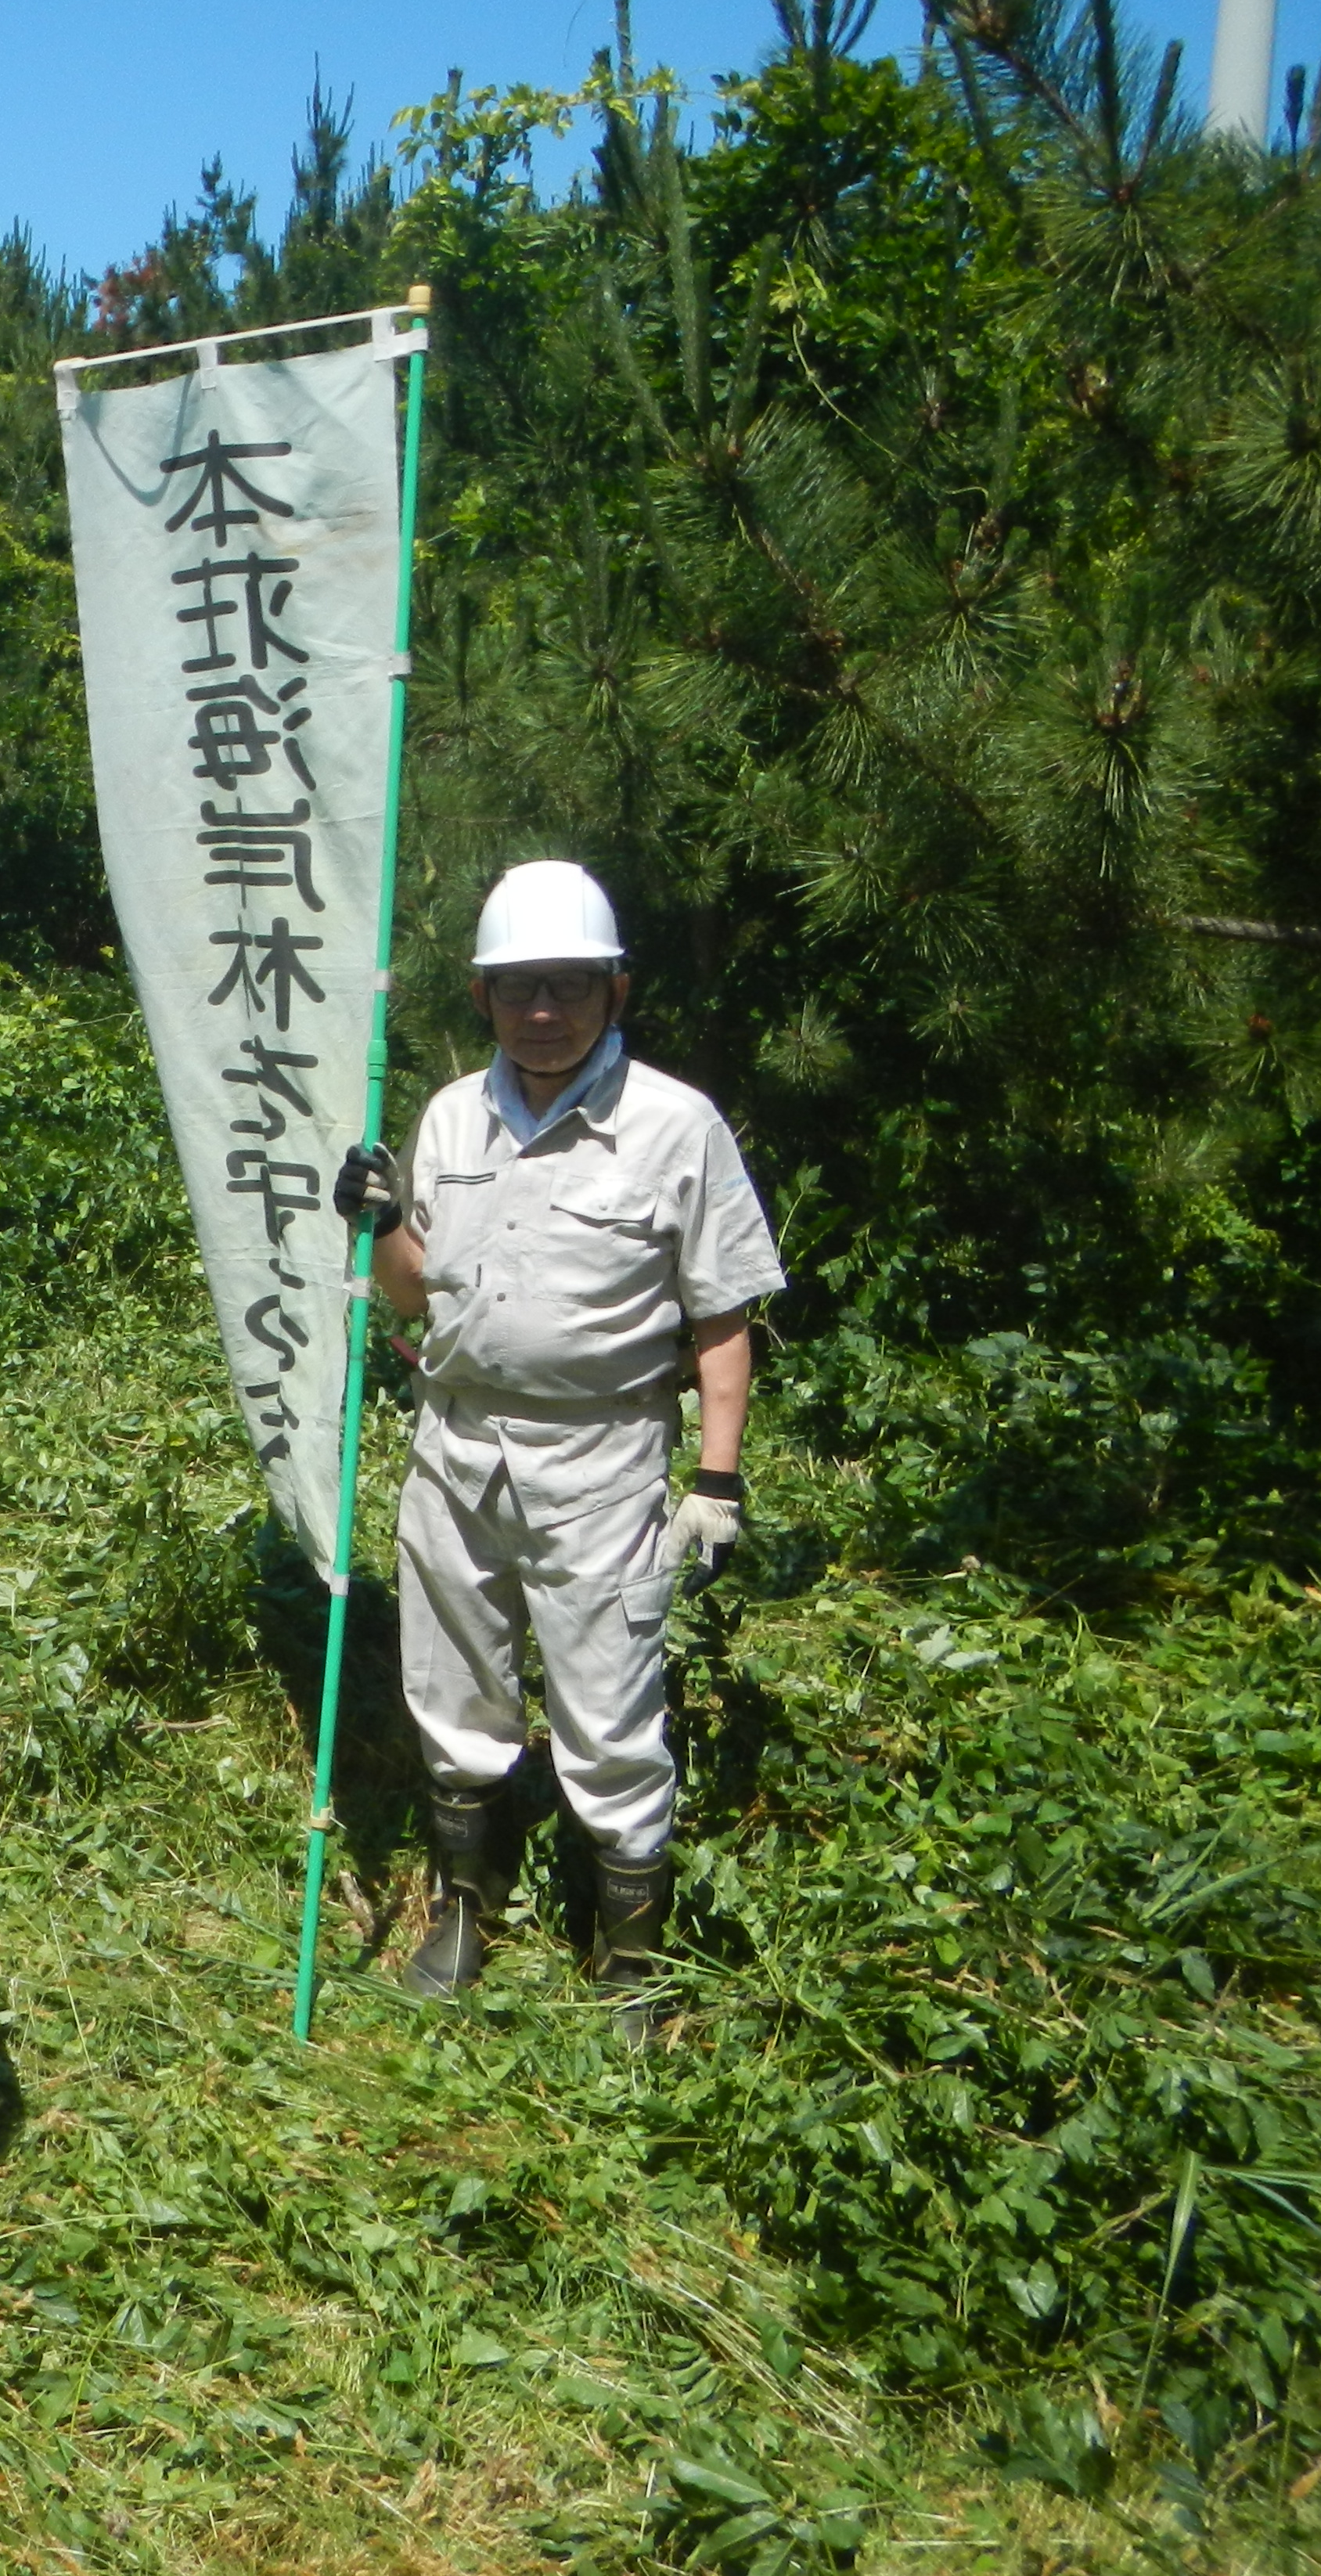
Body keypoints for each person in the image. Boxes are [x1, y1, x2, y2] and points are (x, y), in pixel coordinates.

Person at [335, 860, 785, 2044]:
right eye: (520, 987)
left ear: (615, 991)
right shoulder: (448, 1117)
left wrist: (718, 1480)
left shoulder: (674, 1127)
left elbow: (724, 1316)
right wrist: (380, 1222)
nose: (545, 1009)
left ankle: (628, 1960)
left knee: (609, 1710)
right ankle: (464, 1909)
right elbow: (413, 1300)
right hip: (457, 1448)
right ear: (484, 996)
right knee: (454, 1689)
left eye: (570, 986)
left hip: (603, 1460)